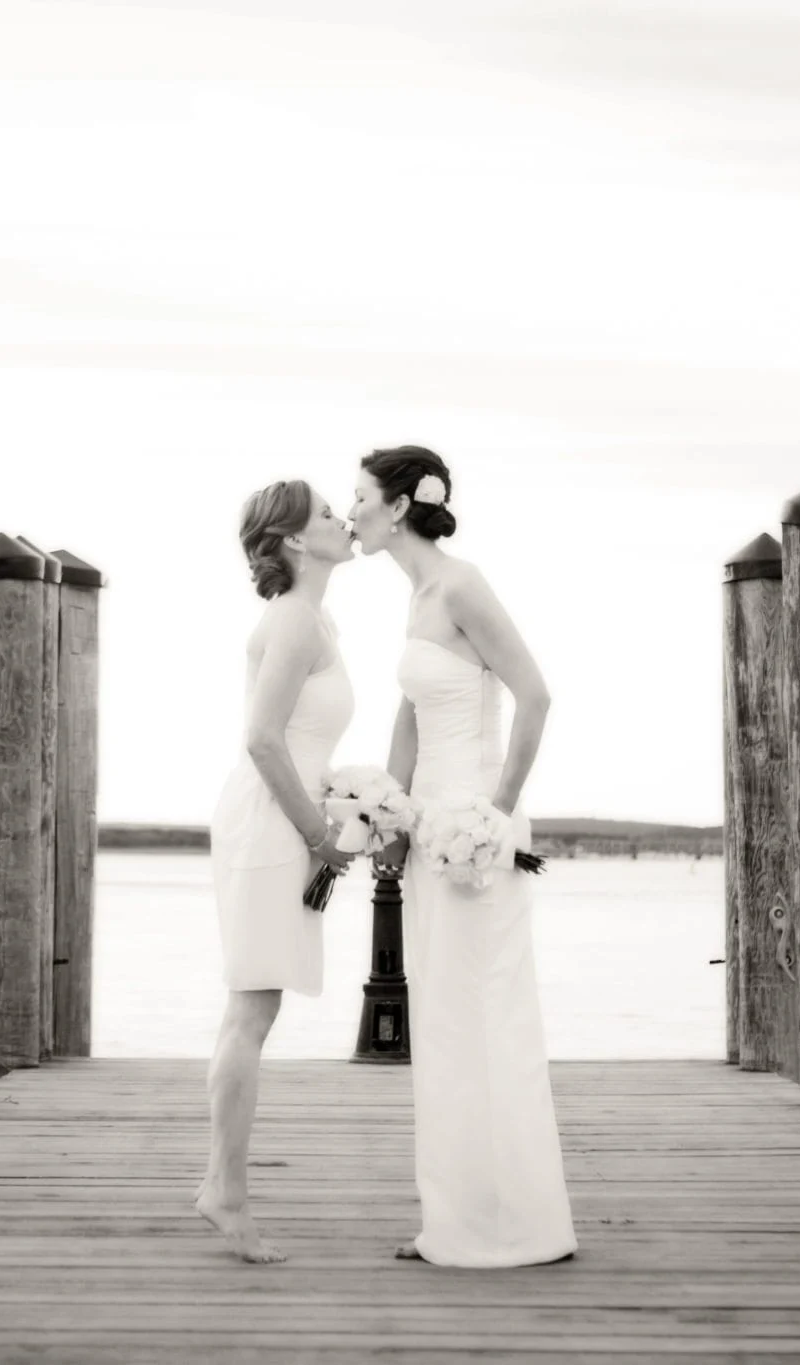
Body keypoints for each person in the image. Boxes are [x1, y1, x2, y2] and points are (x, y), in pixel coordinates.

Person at [348, 445, 578, 1267]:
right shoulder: (415, 598)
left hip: (477, 827)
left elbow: (536, 694)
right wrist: (391, 819)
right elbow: (408, 719)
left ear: (401, 505)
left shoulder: (463, 584)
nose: (353, 510)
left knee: (487, 1009)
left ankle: (519, 1219)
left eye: (362, 496)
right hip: (431, 830)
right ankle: (452, 1217)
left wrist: (495, 814)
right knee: (442, 1019)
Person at [196, 479, 358, 1263]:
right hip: (270, 822)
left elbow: (298, 741)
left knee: (253, 1011)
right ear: (295, 540)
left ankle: (220, 1186)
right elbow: (263, 740)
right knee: (249, 1014)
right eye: (328, 513)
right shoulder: (295, 618)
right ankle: (224, 1191)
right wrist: (319, 831)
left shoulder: (317, 617)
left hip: (284, 816)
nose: (342, 520)